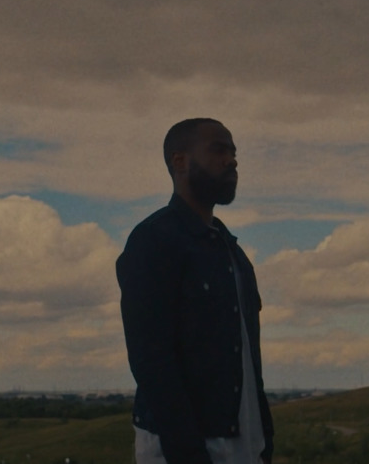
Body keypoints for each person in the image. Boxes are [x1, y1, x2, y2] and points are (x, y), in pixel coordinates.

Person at [117, 118, 273, 464]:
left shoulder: (231, 250)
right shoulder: (154, 241)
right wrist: (188, 453)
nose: (231, 160)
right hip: (183, 450)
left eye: (234, 153)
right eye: (218, 149)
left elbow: (247, 357)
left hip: (246, 444)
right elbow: (151, 359)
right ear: (180, 161)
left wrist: (264, 440)